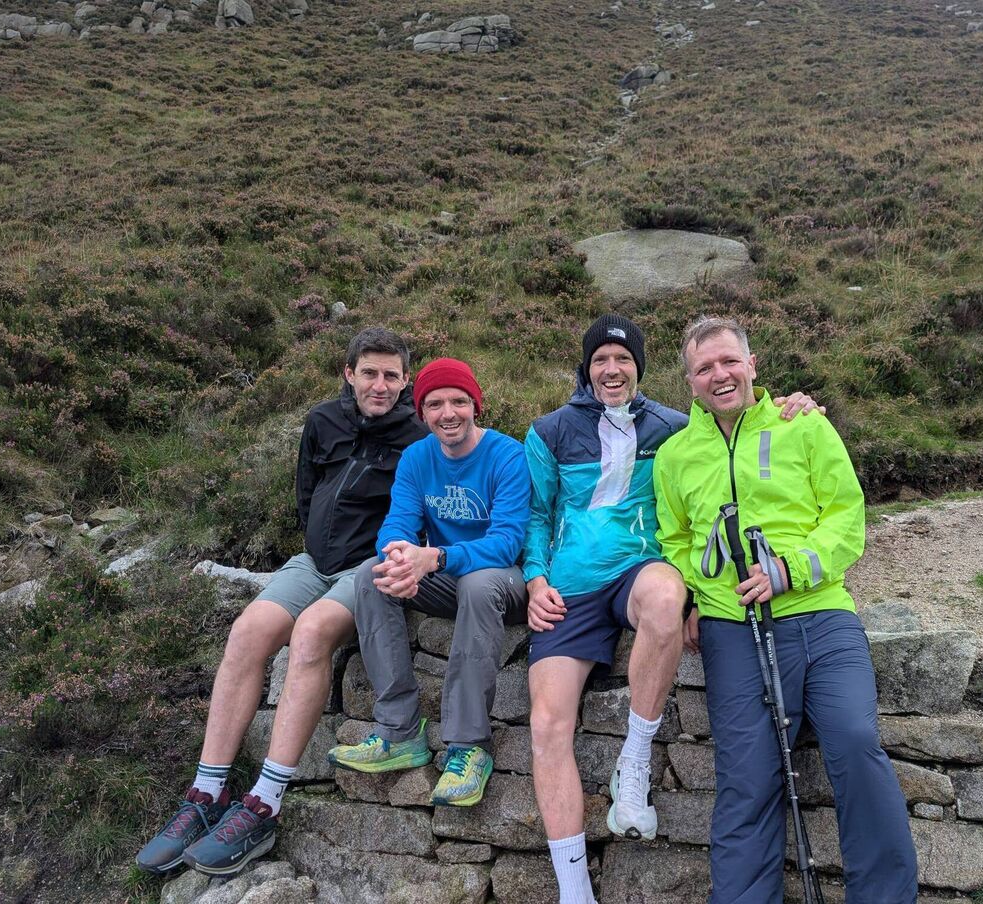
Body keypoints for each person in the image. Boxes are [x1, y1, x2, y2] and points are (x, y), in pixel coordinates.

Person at [525, 314, 822, 904]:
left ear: (640, 367)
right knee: (546, 725)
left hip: (639, 570)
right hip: (568, 586)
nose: (612, 369)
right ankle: (575, 893)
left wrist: (797, 406)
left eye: (623, 359)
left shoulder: (673, 428)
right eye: (600, 360)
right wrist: (535, 579)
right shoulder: (549, 430)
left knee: (665, 597)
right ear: (586, 368)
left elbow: (732, 439)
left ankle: (634, 764)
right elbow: (537, 513)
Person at [136, 327, 429, 877]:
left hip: (366, 570)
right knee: (247, 632)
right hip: (313, 561)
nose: (380, 385)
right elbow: (306, 492)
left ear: (405, 380)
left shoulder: (418, 437)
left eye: (391, 375)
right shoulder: (323, 420)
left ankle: (265, 802)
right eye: (369, 372)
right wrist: (315, 543)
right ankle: (207, 792)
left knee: (312, 632)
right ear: (349, 373)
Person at [654, 315, 918, 904]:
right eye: (704, 368)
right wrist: (695, 597)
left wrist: (789, 569)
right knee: (747, 776)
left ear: (752, 364)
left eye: (729, 361)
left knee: (855, 741)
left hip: (824, 617)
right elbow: (675, 539)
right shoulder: (673, 456)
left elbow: (846, 517)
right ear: (690, 382)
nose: (720, 375)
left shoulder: (805, 426)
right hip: (733, 629)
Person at [327, 357, 529, 808]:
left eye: (459, 401)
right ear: (422, 412)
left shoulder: (507, 455)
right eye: (435, 404)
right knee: (372, 575)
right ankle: (399, 732)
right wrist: (399, 557)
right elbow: (398, 522)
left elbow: (507, 543)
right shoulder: (418, 458)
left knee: (478, 584)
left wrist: (435, 557)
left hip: (504, 582)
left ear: (476, 405)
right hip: (448, 576)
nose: (448, 413)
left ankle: (468, 746)